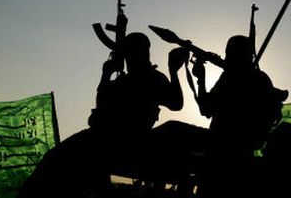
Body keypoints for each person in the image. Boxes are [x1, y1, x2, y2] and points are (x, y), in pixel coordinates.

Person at [17, 32, 190, 198]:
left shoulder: (152, 78)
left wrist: (173, 71)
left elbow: (175, 103)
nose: (130, 58)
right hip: (102, 137)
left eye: (133, 52)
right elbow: (100, 109)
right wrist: (105, 76)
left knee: (63, 164)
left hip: (126, 140)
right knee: (54, 162)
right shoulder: (123, 81)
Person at [192, 35, 288, 197]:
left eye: (230, 53)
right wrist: (201, 79)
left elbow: (206, 109)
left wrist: (201, 80)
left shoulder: (237, 78)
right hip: (240, 155)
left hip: (222, 154)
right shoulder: (257, 78)